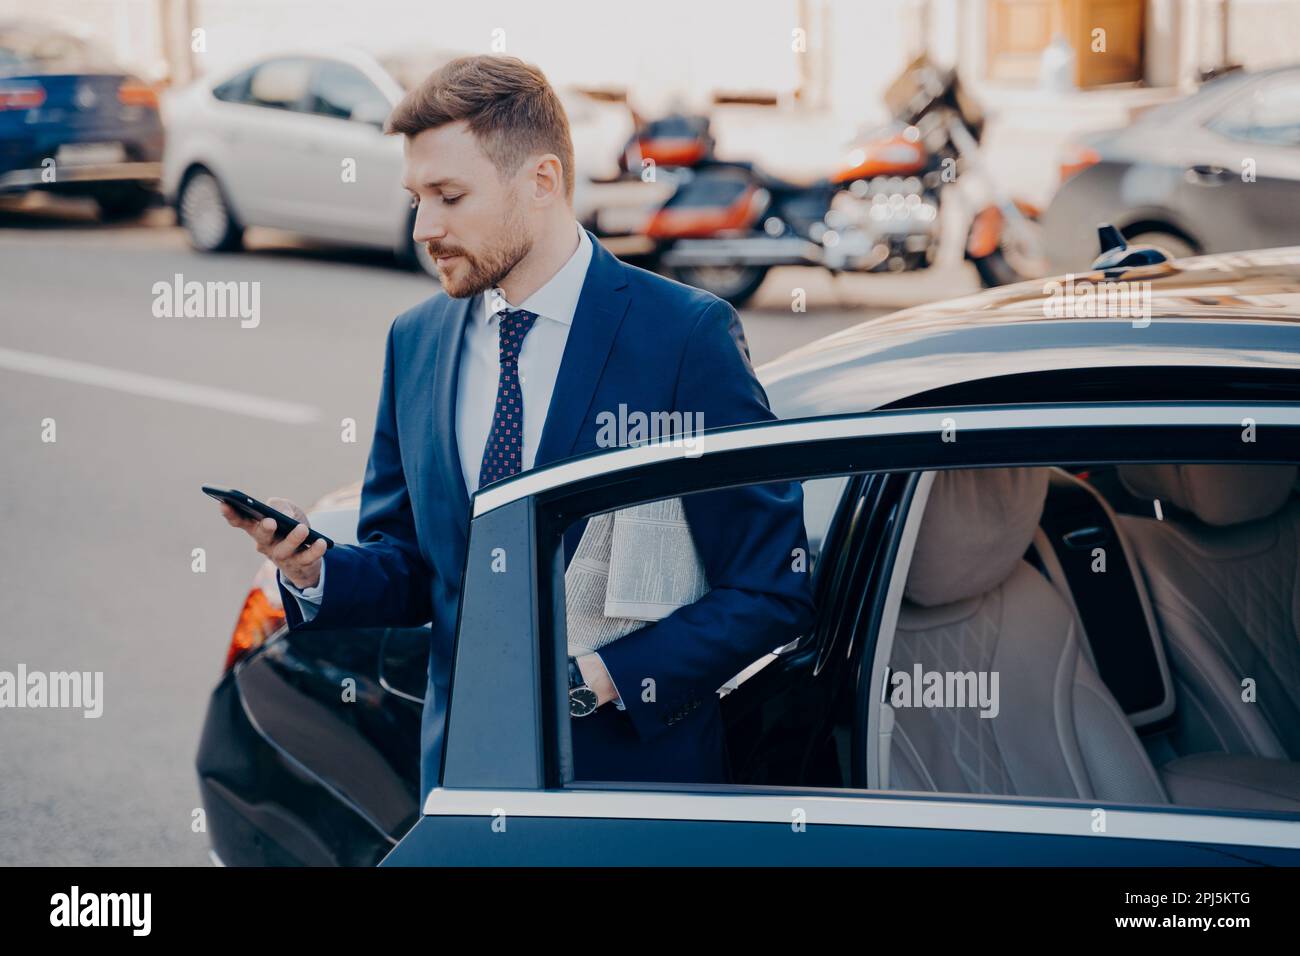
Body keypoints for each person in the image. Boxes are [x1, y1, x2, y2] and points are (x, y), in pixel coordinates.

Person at [218, 55, 814, 804]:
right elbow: (411, 566)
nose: (424, 227)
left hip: (633, 792)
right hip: (462, 780)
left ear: (542, 182)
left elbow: (771, 587)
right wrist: (314, 569)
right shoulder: (416, 340)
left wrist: (601, 680)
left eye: (449, 196)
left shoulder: (685, 338)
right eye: (415, 198)